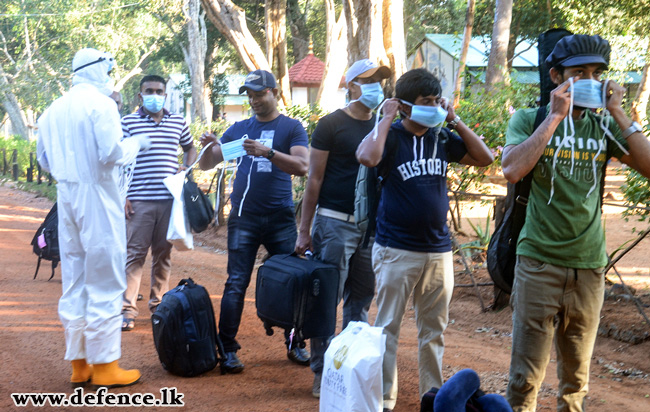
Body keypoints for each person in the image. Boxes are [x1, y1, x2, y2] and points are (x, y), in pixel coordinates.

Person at [502, 34, 650, 412]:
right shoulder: (528, 119)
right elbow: (513, 169)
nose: (589, 80)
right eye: (578, 72)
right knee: (525, 378)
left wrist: (619, 113)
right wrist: (554, 117)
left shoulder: (603, 128)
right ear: (556, 76)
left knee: (576, 382)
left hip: (589, 266)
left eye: (597, 73)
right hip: (539, 262)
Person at [356, 68, 494, 411]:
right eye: (425, 102)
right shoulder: (391, 136)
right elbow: (367, 157)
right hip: (396, 250)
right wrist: (386, 119)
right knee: (387, 329)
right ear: (404, 106)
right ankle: (385, 402)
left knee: (434, 331)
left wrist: (454, 119)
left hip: (438, 251)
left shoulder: (441, 138)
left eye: (436, 100)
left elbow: (485, 158)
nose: (432, 107)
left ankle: (433, 400)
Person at [36, 48, 149, 388]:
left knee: (75, 278)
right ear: (100, 69)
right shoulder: (101, 105)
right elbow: (112, 152)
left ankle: (79, 364)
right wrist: (137, 144)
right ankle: (105, 367)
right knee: (105, 277)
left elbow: (43, 161)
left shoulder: (51, 110)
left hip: (67, 195)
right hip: (97, 194)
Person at [199, 69, 310, 373]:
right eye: (249, 95)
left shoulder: (291, 128)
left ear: (274, 92)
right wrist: (210, 147)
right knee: (236, 283)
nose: (254, 100)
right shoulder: (238, 128)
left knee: (292, 282)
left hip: (280, 218)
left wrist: (268, 152)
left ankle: (294, 342)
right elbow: (208, 164)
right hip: (243, 217)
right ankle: (228, 350)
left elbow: (302, 166)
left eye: (259, 94)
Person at [294, 59, 390, 398]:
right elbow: (314, 179)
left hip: (372, 228)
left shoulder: (384, 123)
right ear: (350, 86)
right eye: (367, 80)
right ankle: (322, 372)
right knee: (327, 300)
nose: (376, 86)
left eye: (379, 80)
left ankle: (347, 369)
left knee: (360, 302)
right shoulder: (331, 124)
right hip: (334, 223)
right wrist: (305, 231)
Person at [120, 74, 196, 332]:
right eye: (149, 90)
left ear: (165, 94)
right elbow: (119, 161)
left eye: (159, 91)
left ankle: (158, 307)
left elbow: (190, 147)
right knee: (135, 255)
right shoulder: (128, 123)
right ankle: (127, 310)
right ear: (140, 95)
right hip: (138, 201)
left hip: (169, 201)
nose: (155, 94)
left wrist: (187, 167)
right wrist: (124, 196)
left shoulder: (178, 122)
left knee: (163, 255)